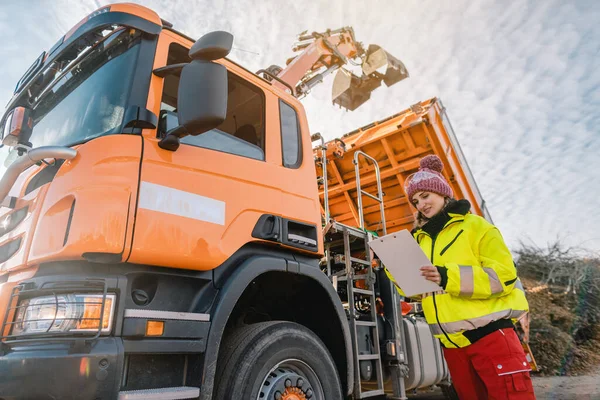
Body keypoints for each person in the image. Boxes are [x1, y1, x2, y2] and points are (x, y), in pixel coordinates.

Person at [402, 154, 536, 399]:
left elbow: (503, 276)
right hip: (453, 347)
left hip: (492, 338)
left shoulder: (477, 227)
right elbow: (416, 289)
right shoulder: (421, 240)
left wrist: (446, 277)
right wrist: (387, 263)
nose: (421, 204)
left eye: (425, 196)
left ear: (442, 193)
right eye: (415, 200)